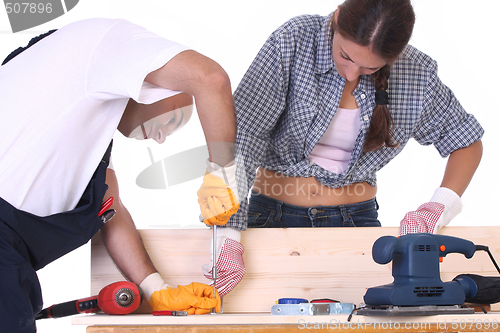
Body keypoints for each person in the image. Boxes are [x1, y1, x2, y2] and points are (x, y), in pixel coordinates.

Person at [0, 18, 240, 333]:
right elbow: (211, 79)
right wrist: (222, 174)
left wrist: (158, 291)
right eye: (173, 120)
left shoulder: (82, 120)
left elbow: (111, 209)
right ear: (158, 88)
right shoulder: (106, 43)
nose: (160, 139)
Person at [223, 0, 483, 244]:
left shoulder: (417, 72)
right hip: (270, 216)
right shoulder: (293, 38)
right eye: (345, 56)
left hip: (357, 221)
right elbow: (242, 134)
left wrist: (439, 206)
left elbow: (466, 142)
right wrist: (227, 230)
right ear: (337, 18)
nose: (350, 74)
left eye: (369, 68)